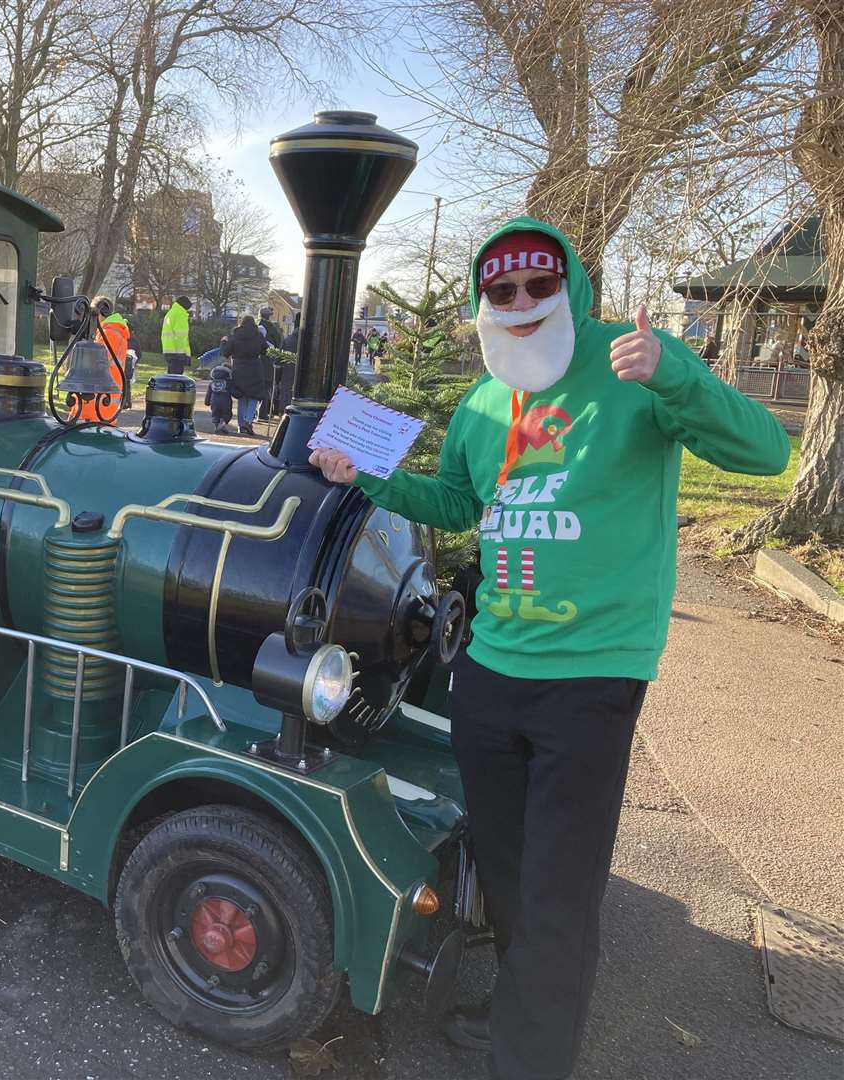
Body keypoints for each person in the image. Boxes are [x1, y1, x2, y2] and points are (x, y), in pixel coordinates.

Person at [310, 219, 789, 1080]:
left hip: (593, 677)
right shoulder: (485, 399)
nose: (523, 303)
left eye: (540, 286)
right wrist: (366, 473)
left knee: (561, 893)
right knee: (510, 870)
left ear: (569, 286)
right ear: (481, 302)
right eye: (502, 291)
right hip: (491, 670)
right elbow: (457, 502)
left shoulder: (629, 365)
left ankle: (530, 1057)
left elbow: (766, 451)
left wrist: (675, 370)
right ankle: (526, 1004)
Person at [76, 295, 130, 423]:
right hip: (106, 393)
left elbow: (95, 364)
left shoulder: (108, 333)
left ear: (98, 313)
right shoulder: (113, 331)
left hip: (99, 395)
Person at [221, 313, 269, 437]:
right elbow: (265, 350)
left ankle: (241, 425)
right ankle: (248, 422)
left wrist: (224, 342)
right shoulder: (258, 335)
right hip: (254, 367)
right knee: (254, 396)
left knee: (242, 396)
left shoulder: (235, 335)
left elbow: (226, 353)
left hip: (239, 367)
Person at [161, 295, 192, 375]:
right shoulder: (180, 314)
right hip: (177, 352)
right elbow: (181, 336)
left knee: (171, 376)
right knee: (176, 379)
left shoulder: (171, 313)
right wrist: (184, 354)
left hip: (168, 350)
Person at [205, 362, 234, 432]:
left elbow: (209, 393)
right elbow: (234, 391)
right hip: (226, 401)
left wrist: (207, 402)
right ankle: (222, 424)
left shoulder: (212, 382)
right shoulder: (228, 382)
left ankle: (216, 426)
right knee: (227, 414)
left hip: (214, 401)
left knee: (215, 414)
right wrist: (240, 394)